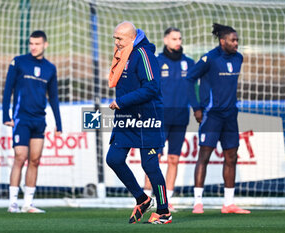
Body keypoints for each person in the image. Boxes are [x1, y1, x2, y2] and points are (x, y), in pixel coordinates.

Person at [107, 21, 172, 224]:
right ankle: (142, 199)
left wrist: (121, 101)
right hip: (126, 118)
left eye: (120, 38)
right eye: (115, 38)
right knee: (114, 159)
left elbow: (152, 88)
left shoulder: (144, 54)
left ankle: (164, 212)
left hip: (147, 118)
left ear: (132, 37)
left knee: (150, 165)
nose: (116, 42)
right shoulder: (124, 53)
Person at [186, 23, 250, 214]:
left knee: (231, 156)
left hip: (231, 115)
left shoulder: (239, 58)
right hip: (211, 116)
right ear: (223, 41)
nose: (236, 43)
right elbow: (189, 78)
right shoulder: (209, 58)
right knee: (204, 156)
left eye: (237, 39)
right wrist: (197, 108)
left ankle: (228, 204)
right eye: (233, 40)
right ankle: (198, 202)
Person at [2, 30, 62, 213]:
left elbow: (53, 98)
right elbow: (7, 90)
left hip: (39, 119)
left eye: (37, 44)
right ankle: (12, 203)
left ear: (45, 45)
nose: (33, 47)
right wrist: (6, 115)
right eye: (31, 44)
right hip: (21, 118)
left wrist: (59, 124)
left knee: (35, 160)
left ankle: (28, 203)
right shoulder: (19, 62)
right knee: (20, 157)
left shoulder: (50, 68)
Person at [143, 27, 194, 212]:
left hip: (181, 118)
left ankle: (168, 200)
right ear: (166, 40)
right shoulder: (156, 62)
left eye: (179, 38)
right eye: (174, 38)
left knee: (173, 159)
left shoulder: (189, 63)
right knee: (153, 157)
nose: (177, 41)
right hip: (160, 117)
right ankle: (146, 199)